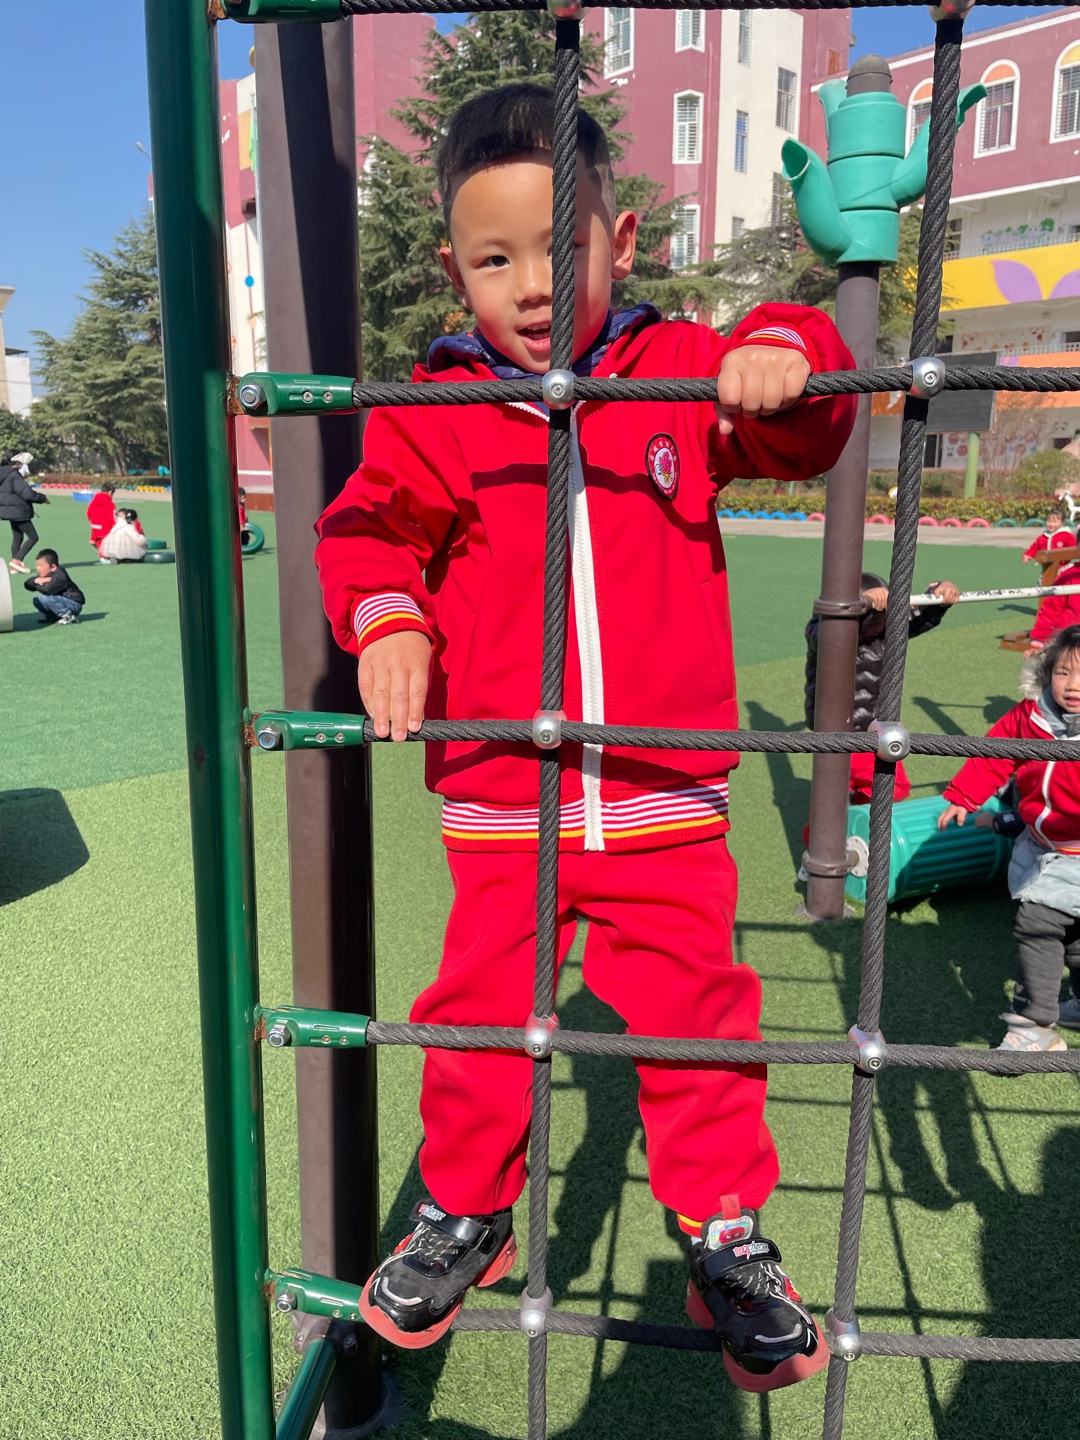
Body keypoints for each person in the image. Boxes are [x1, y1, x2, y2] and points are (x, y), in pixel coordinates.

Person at [315, 84, 857, 1388]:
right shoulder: (437, 409)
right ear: (453, 272)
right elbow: (370, 529)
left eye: (561, 249)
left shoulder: (673, 372)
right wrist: (387, 624)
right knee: (476, 1013)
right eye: (495, 260)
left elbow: (805, 425)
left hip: (663, 791)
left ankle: (723, 1229)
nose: (534, 285)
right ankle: (464, 1208)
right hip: (507, 792)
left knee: (700, 1017)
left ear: (620, 243)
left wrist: (779, 348)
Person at [938, 624, 1080, 1051]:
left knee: (1038, 924)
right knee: (1074, 936)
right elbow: (995, 751)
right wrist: (964, 795)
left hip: (1076, 852)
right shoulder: (1032, 716)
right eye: (1063, 673)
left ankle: (1034, 1026)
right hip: (1044, 843)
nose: (1072, 686)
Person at [804, 572, 960, 808]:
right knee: (853, 793)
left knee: (843, 793)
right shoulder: (825, 628)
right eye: (873, 619)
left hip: (870, 728)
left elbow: (915, 617)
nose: (879, 625)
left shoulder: (885, 634)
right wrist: (865, 607)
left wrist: (939, 594)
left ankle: (854, 809)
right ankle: (838, 821)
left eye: (883, 618)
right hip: (839, 730)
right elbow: (833, 637)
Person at [0, 451, 50, 575]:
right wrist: (43, 499)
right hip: (19, 511)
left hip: (10, 511)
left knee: (17, 538)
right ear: (17, 461)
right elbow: (27, 494)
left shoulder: (4, 474)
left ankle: (14, 566)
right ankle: (17, 560)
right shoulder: (14, 475)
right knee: (33, 537)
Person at [24, 549, 85, 625]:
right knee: (37, 600)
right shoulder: (44, 574)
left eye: (41, 566)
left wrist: (37, 584)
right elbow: (27, 584)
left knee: (46, 599)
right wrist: (36, 580)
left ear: (53, 567)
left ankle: (68, 616)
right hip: (61, 601)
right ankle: (52, 616)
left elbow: (48, 590)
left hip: (74, 604)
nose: (38, 568)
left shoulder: (60, 576)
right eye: (37, 565)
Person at [86, 481, 117, 554]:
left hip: (94, 528)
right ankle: (105, 556)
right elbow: (112, 518)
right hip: (105, 530)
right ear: (110, 492)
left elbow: (88, 513)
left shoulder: (93, 501)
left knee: (99, 543)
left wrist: (93, 522)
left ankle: (96, 542)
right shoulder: (109, 503)